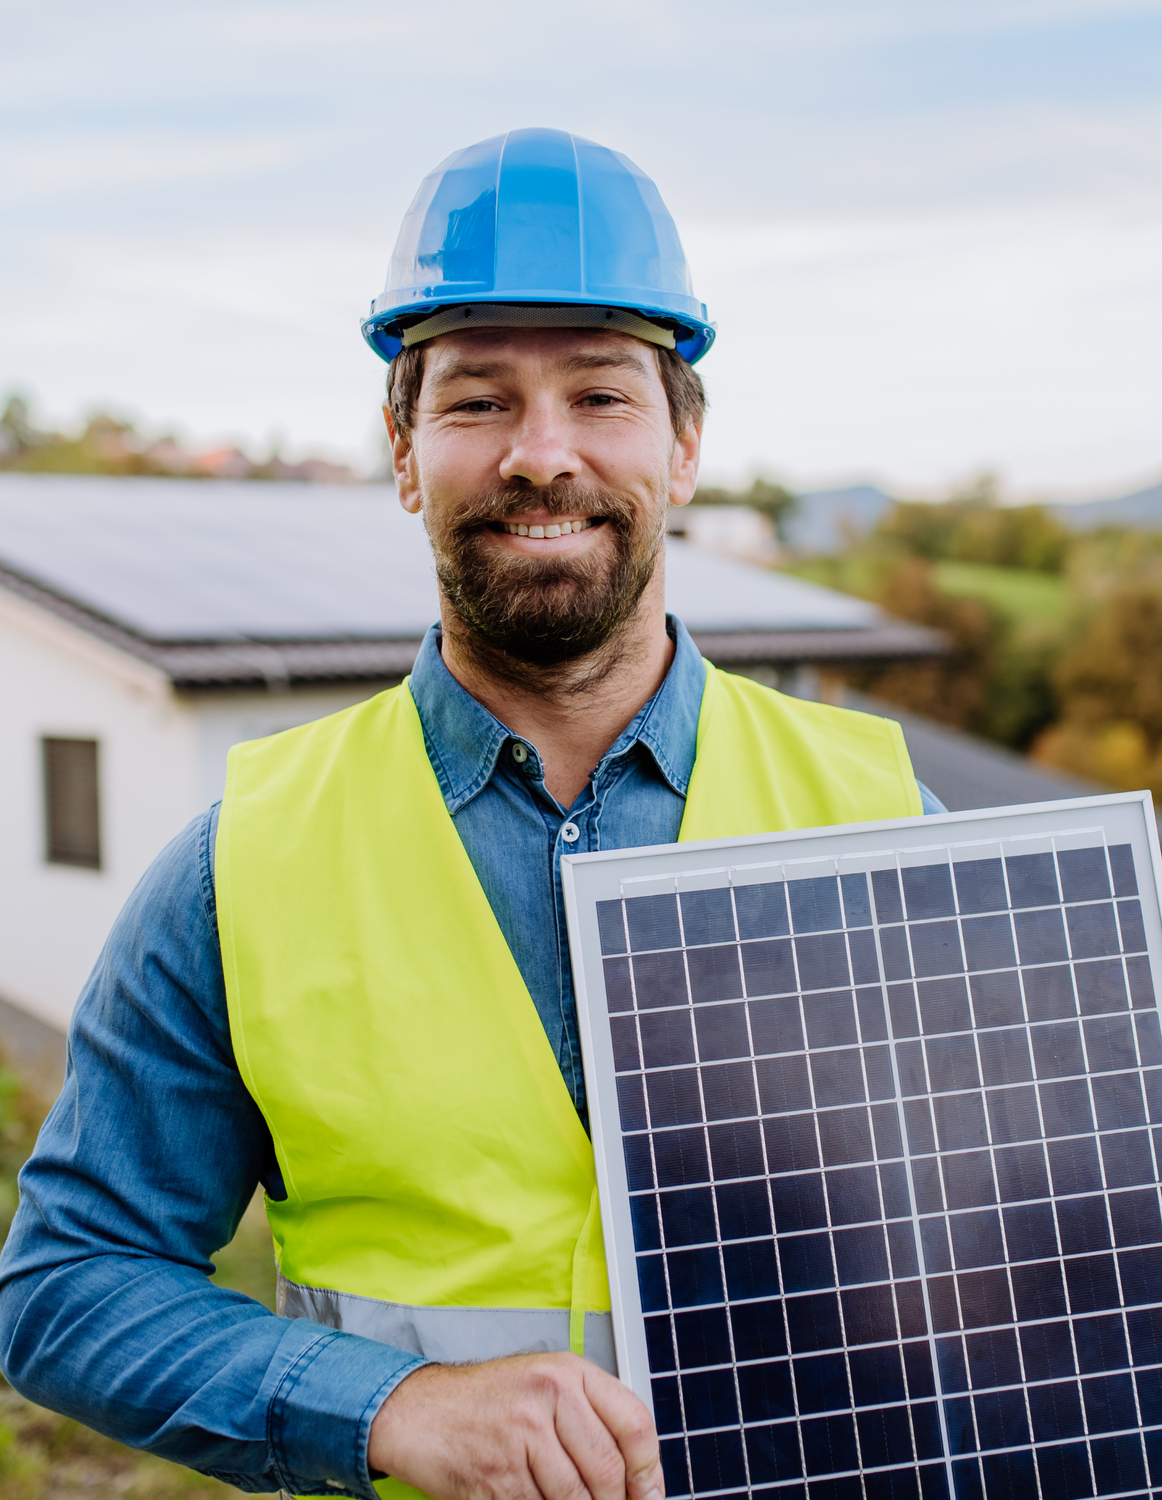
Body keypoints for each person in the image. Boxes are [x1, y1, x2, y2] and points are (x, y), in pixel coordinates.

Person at [0, 128, 943, 1500]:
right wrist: (391, 1408)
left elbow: (1026, 1253)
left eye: (602, 396)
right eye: (479, 400)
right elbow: (68, 1287)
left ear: (684, 447)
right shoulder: (244, 864)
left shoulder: (883, 822)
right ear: (403, 450)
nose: (540, 456)